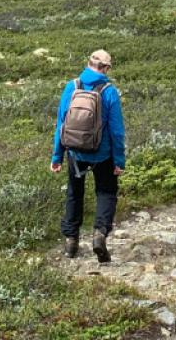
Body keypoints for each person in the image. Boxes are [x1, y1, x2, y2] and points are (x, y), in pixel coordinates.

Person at [51, 49, 126, 261]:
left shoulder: (72, 86)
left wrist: (57, 156)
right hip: (103, 155)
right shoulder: (109, 91)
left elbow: (61, 125)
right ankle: (99, 236)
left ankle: (71, 243)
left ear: (88, 63)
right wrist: (119, 160)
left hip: (76, 152)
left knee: (74, 193)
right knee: (106, 192)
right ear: (106, 68)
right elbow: (117, 131)